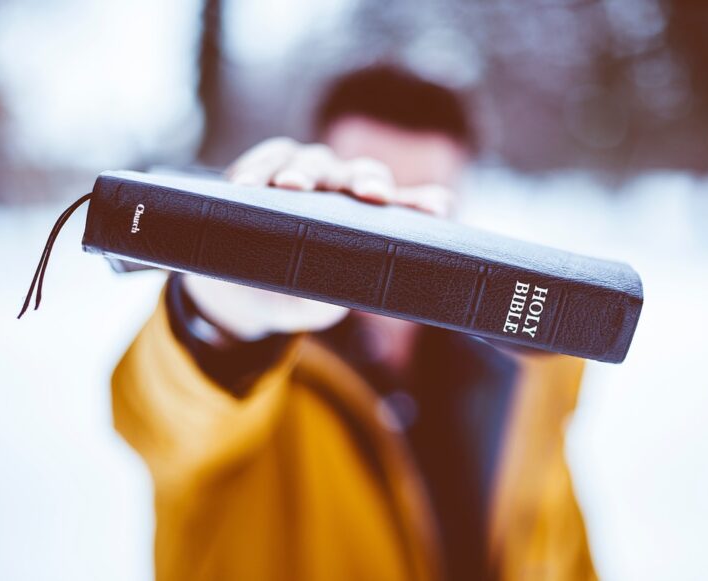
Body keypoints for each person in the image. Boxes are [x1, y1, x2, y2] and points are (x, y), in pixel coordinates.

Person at [112, 65, 596, 581]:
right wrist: (219, 314)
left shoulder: (522, 378)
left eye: (420, 204)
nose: (395, 237)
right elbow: (161, 417)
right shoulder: (250, 376)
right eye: (367, 201)